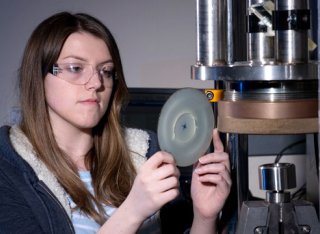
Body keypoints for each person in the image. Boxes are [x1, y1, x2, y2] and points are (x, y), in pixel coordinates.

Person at [0, 11, 231, 234]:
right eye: (75, 68)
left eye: (106, 71)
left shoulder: (144, 152)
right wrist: (133, 211)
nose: (96, 83)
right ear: (39, 76)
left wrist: (205, 216)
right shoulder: (9, 168)